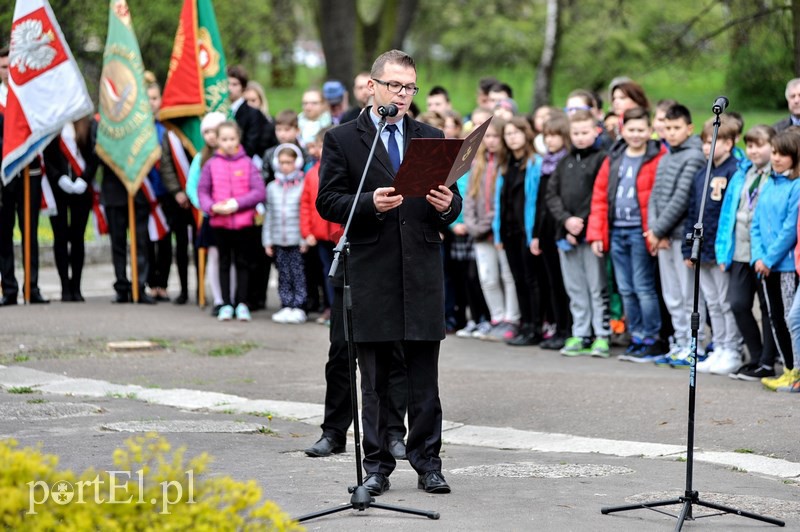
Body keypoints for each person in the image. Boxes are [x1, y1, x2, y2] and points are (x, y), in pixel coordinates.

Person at [316, 49, 459, 496]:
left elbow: (450, 203)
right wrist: (367, 205)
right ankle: (376, 466)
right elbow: (328, 201)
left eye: (410, 87)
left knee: (423, 378)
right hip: (371, 270)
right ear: (372, 87)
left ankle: (427, 462)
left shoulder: (430, 135)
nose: (403, 94)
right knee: (374, 378)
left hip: (420, 269)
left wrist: (448, 206)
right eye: (395, 85)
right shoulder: (343, 138)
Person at [587, 107, 668, 361]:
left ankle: (651, 337)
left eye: (641, 129)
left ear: (650, 131)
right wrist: (597, 234)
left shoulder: (657, 156)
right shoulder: (614, 157)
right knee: (625, 288)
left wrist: (656, 230)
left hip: (641, 231)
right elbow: (600, 196)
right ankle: (636, 335)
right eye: (631, 129)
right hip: (616, 230)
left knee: (644, 286)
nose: (635, 134)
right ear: (622, 130)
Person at [681, 115, 744, 375]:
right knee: (711, 302)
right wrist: (688, 248)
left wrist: (724, 249)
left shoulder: (735, 171)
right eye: (705, 143)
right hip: (701, 249)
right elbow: (692, 212)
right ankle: (719, 345)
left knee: (725, 300)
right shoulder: (701, 174)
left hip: (720, 249)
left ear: (728, 143)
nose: (708, 148)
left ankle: (733, 349)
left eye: (713, 142)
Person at [645, 104, 707, 366]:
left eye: (676, 128)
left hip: (680, 237)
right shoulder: (667, 156)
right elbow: (655, 196)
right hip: (662, 237)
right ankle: (680, 342)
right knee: (671, 293)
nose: (670, 133)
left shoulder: (694, 157)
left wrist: (658, 230)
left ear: (689, 128)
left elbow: (682, 199)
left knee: (687, 294)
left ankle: (697, 344)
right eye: (666, 128)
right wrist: (653, 231)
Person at [545, 109, 610, 356]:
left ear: (595, 131)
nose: (581, 137)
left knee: (596, 286)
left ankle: (601, 334)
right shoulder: (564, 162)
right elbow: (552, 195)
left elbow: (599, 194)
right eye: (576, 133)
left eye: (585, 132)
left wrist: (580, 222)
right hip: (566, 234)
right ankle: (580, 333)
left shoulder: (602, 158)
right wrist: (566, 221)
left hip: (590, 233)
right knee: (575, 287)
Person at [716, 124, 778, 381]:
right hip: (740, 250)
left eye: (760, 145)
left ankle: (767, 360)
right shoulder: (743, 174)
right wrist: (722, 250)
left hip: (763, 252)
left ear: (772, 148)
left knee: (767, 308)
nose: (753, 151)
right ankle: (755, 356)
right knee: (738, 303)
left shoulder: (776, 175)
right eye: (750, 145)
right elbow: (728, 212)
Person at [198, 121, 265, 322]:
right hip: (220, 224)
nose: (228, 143)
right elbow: (202, 191)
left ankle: (242, 303)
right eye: (224, 139)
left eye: (232, 139)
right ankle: (226, 303)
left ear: (238, 139)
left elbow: (259, 191)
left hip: (244, 224)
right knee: (224, 263)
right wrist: (212, 206)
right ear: (217, 141)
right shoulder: (211, 164)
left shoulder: (247, 163)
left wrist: (237, 204)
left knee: (243, 263)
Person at [463, 118, 520, 342]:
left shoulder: (506, 164)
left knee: (508, 275)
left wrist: (485, 224)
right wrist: (472, 225)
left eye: (496, 136)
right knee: (487, 277)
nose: (491, 141)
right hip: (478, 233)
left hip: (498, 231)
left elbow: (500, 203)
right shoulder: (477, 164)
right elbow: (469, 197)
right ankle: (496, 317)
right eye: (487, 137)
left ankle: (511, 318)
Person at [751, 130, 800, 390]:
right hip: (765, 265)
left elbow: (790, 229)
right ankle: (789, 369)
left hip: (786, 266)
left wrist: (769, 258)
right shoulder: (769, 182)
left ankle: (796, 369)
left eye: (783, 154)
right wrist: (759, 256)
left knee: (790, 319)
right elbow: (756, 222)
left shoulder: (796, 186)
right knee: (774, 317)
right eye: (775, 153)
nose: (777, 158)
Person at [0, 46, 48, 306]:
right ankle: (9, 288)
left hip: (30, 173)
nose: (8, 72)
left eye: (11, 66)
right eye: (4, 67)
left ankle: (33, 286)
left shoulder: (30, 98)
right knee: (4, 233)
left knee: (29, 230)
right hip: (4, 177)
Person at [493, 117, 544, 346]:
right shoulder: (504, 165)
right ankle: (525, 324)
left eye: (516, 132)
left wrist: (534, 232)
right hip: (508, 230)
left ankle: (536, 326)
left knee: (531, 279)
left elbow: (535, 200)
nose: (512, 137)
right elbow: (498, 200)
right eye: (508, 134)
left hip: (526, 230)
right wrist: (497, 233)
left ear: (526, 134)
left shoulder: (535, 163)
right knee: (517, 280)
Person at [42, 118, 97, 302]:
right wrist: (58, 178)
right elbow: (47, 158)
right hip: (58, 189)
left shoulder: (87, 125)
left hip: (81, 189)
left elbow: (94, 155)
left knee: (77, 237)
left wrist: (85, 178)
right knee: (60, 236)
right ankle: (65, 286)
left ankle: (77, 286)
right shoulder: (51, 123)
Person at [185, 112, 232, 316]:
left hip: (232, 215)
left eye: (215, 131)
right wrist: (207, 206)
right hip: (211, 216)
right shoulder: (200, 158)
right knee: (214, 257)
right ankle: (219, 299)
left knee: (231, 258)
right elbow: (192, 187)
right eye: (206, 132)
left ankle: (233, 298)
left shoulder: (233, 155)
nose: (211, 136)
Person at [533, 114, 572, 349]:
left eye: (555, 135)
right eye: (547, 135)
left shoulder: (565, 163)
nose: (550, 140)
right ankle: (557, 326)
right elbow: (540, 203)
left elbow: (562, 201)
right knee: (550, 282)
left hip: (560, 230)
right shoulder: (544, 163)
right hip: (545, 230)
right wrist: (536, 233)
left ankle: (567, 328)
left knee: (562, 282)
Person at [263, 144, 308, 324]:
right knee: (283, 274)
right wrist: (267, 241)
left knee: (298, 273)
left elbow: (304, 213)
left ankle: (299, 306)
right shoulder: (272, 187)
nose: (285, 166)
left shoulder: (302, 185)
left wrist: (304, 238)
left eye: (289, 162)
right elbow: (269, 215)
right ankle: (286, 304)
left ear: (296, 163)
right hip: (279, 240)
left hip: (296, 239)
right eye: (281, 162)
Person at [227, 65, 270, 159]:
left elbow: (250, 148)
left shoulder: (253, 114)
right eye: (227, 83)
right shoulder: (221, 111)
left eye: (234, 84)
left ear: (243, 87)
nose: (229, 88)